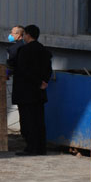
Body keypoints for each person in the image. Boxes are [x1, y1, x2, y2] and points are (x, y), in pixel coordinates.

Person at [11, 24, 53, 156]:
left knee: (27, 121)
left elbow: (24, 71)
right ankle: (41, 147)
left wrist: (37, 82)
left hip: (26, 91)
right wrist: (44, 81)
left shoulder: (24, 51)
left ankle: (31, 147)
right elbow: (48, 69)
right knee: (39, 120)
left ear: (28, 35)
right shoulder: (44, 50)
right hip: (39, 92)